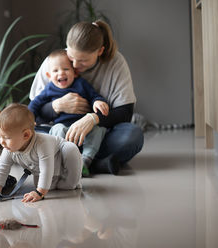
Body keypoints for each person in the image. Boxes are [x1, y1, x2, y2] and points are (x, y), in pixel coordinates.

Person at [30, 20, 144, 174]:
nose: (75, 66)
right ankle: (95, 164)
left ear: (100, 51)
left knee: (132, 136)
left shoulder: (116, 63)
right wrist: (56, 106)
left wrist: (93, 119)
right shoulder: (55, 62)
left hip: (96, 135)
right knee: (31, 137)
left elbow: (125, 114)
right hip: (60, 132)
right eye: (71, 57)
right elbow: (35, 113)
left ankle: (71, 162)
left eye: (83, 61)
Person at [28, 49, 113, 175]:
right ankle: (62, 161)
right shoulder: (49, 89)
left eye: (66, 69)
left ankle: (86, 160)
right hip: (64, 129)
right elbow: (34, 104)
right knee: (57, 129)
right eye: (55, 70)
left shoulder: (82, 84)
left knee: (98, 131)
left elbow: (94, 96)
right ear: (49, 76)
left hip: (84, 129)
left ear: (75, 72)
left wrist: (97, 102)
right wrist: (30, 119)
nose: (61, 73)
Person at [0, 103, 82, 203]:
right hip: (40, 169)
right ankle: (55, 182)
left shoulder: (42, 143)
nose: (1, 142)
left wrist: (39, 193)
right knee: (45, 186)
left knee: (70, 149)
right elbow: (2, 167)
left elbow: (46, 169)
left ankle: (72, 183)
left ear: (26, 135)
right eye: (0, 137)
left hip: (60, 158)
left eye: (6, 137)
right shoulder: (8, 148)